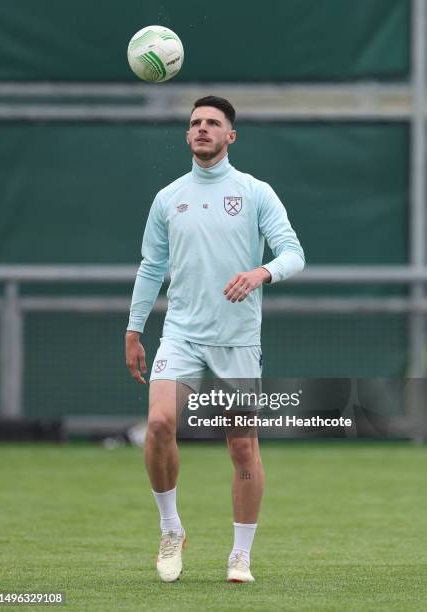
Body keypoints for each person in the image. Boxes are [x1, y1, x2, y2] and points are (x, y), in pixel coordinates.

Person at [125, 95, 305, 583]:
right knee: (160, 423)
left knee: (242, 446)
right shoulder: (168, 197)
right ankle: (170, 529)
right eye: (195, 123)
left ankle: (240, 554)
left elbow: (294, 253)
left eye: (213, 123)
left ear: (231, 136)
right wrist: (134, 329)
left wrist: (261, 272)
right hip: (181, 333)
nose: (202, 129)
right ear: (187, 136)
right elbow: (151, 266)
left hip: (237, 339)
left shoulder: (254, 192)